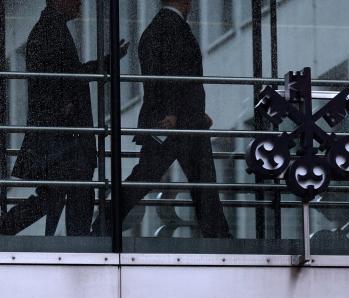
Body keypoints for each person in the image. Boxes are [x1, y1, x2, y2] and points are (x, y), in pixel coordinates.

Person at [95, 0, 231, 238]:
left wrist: (194, 113)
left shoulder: (159, 27)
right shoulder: (169, 27)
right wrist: (175, 113)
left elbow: (168, 76)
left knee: (154, 174)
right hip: (176, 122)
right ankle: (219, 236)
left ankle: (104, 221)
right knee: (199, 179)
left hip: (178, 120)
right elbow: (168, 75)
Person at [0, 0, 128, 236]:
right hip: (65, 136)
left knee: (60, 193)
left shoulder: (49, 28)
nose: (79, 3)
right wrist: (107, 64)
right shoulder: (50, 29)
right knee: (73, 191)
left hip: (63, 135)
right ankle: (79, 243)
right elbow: (66, 77)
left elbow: (64, 76)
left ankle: (12, 227)